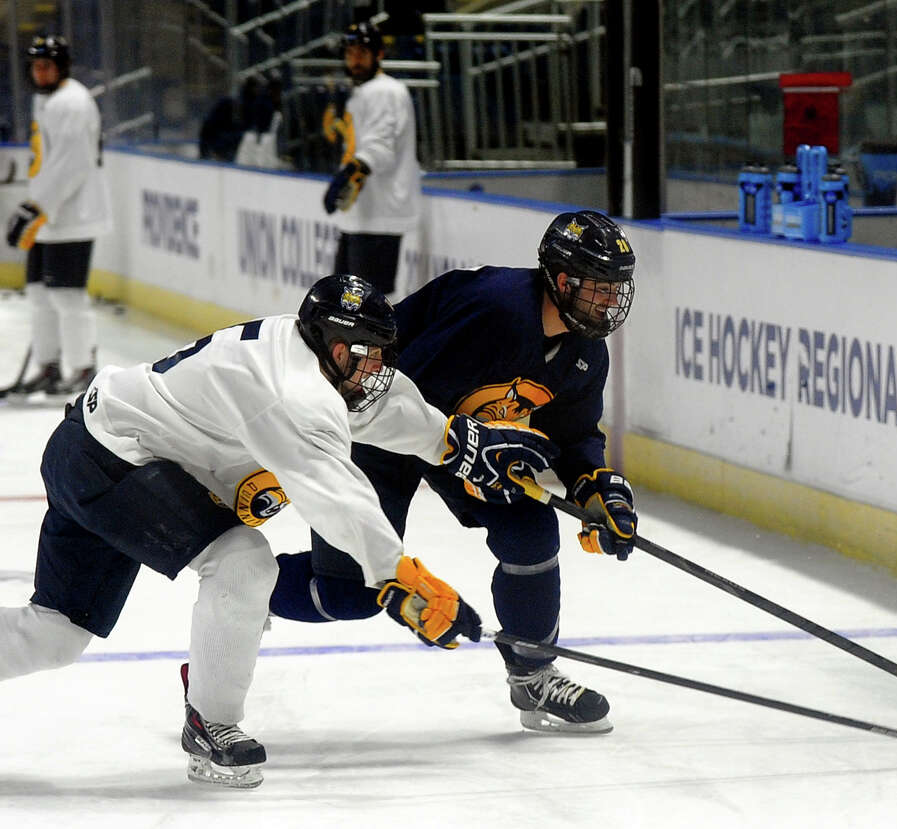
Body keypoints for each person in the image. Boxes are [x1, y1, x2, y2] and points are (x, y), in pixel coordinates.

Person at [0, 273, 557, 788]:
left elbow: (390, 408)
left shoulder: (321, 360)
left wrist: (457, 444)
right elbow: (336, 495)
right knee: (242, 562)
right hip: (111, 459)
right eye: (369, 358)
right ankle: (209, 722)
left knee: (52, 637)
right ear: (337, 349)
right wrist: (400, 577)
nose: (378, 370)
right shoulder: (290, 391)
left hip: (95, 441)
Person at [269, 210, 639, 734]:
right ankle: (244, 588)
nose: (609, 301)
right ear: (560, 281)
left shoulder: (585, 351)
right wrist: (468, 450)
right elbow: (391, 396)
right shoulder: (495, 308)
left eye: (616, 289)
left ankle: (533, 675)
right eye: (598, 288)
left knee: (532, 530)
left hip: (468, 439)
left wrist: (598, 491)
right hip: (381, 428)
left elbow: (574, 433)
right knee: (348, 595)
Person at [3, 34, 112, 398]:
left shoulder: (73, 103)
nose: (40, 72)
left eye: (47, 65)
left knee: (67, 296)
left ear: (61, 67)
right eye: (36, 66)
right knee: (37, 292)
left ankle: (82, 369)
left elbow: (72, 165)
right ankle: (48, 367)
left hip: (74, 215)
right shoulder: (46, 99)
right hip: (49, 216)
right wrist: (35, 208)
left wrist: (34, 208)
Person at [321, 20, 421, 297]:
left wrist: (346, 175)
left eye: (362, 53)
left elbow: (380, 148)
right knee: (345, 301)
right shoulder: (362, 92)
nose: (354, 59)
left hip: (380, 215)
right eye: (350, 53)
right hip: (363, 215)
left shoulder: (385, 91)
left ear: (379, 55)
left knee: (366, 304)